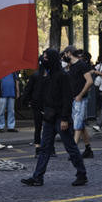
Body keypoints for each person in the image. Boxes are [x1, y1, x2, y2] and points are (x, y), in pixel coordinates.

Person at [21, 49, 88, 187]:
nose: (43, 60)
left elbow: (67, 98)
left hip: (60, 118)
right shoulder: (48, 76)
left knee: (70, 146)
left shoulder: (62, 76)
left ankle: (81, 174)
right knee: (45, 148)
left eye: (46, 58)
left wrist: (64, 118)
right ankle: (38, 177)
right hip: (49, 117)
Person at [64, 47, 94, 158]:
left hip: (80, 98)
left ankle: (73, 151)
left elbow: (90, 81)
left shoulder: (81, 65)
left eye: (65, 54)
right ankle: (88, 149)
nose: (64, 56)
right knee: (80, 124)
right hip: (74, 98)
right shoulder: (71, 66)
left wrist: (80, 95)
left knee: (77, 124)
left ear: (69, 53)